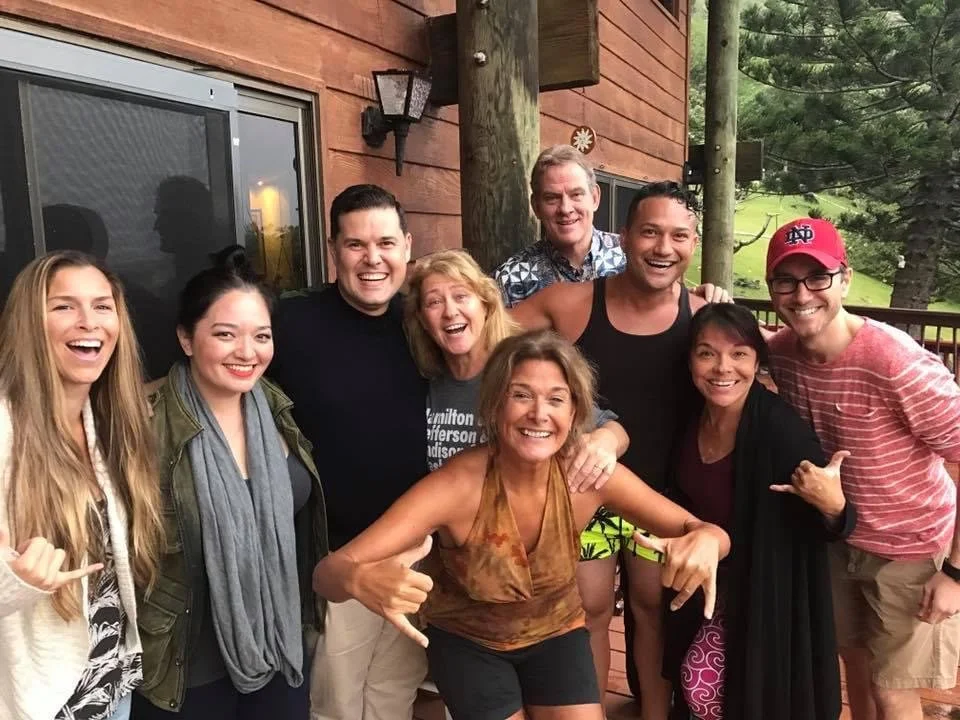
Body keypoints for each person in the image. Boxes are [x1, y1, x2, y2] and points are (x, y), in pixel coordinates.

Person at [313, 329, 731, 720]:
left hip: (556, 632)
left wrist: (708, 540)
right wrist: (356, 579)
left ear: (576, 412)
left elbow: (704, 531)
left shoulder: (585, 478)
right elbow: (325, 576)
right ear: (495, 405)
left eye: (556, 399)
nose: (538, 414)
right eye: (521, 395)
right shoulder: (457, 485)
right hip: (471, 643)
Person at [512, 181, 707, 719]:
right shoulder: (573, 302)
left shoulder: (702, 317)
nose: (663, 247)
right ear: (624, 237)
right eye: (649, 232)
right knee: (588, 612)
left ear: (692, 244)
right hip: (582, 492)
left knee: (651, 612)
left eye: (678, 236)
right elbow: (482, 339)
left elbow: (749, 366)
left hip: (660, 494)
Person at [764, 218, 960, 720]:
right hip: (837, 539)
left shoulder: (895, 362)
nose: (801, 294)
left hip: (910, 550)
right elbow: (726, 342)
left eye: (817, 277)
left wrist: (956, 574)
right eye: (786, 281)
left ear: (844, 279)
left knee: (894, 690)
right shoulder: (782, 353)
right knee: (854, 665)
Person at [132, 247, 325, 718]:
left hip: (276, 646)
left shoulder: (274, 405)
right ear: (186, 338)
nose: (247, 352)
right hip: (185, 667)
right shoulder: (143, 422)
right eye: (225, 334)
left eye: (261, 335)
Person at [269, 184, 429, 720]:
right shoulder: (289, 324)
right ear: (333, 249)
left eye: (385, 242)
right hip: (333, 557)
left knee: (393, 697)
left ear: (407, 245)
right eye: (355, 244)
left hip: (418, 553)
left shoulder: (428, 321)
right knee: (335, 704)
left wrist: (606, 429)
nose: (373, 259)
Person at [661, 302, 856, 720]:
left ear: (757, 361)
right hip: (708, 584)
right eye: (707, 352)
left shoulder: (779, 430)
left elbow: (833, 523)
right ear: (691, 359)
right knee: (693, 686)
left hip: (765, 595)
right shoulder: (689, 416)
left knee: (713, 689)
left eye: (739, 354)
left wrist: (833, 506)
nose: (722, 368)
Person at [0, 250, 163, 720]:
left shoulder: (109, 424)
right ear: (31, 323)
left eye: (102, 305)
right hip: (45, 703)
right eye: (64, 306)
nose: (88, 321)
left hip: (111, 686)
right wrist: (17, 582)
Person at [406, 248, 628, 486]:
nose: (450, 312)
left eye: (461, 297)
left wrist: (604, 442)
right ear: (422, 320)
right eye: (434, 302)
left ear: (487, 305)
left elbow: (615, 430)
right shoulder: (425, 381)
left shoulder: (518, 368)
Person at [493, 145, 624, 308]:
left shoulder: (629, 257)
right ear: (536, 206)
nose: (565, 208)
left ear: (595, 198)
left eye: (576, 194)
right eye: (552, 198)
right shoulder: (510, 279)